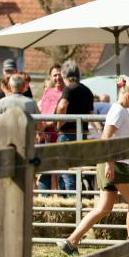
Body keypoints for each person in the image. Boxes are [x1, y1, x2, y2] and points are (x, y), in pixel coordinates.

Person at [57, 79, 129, 255]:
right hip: (115, 164)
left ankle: (71, 241)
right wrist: (110, 163)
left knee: (103, 208)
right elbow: (106, 137)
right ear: (128, 95)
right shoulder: (118, 111)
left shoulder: (120, 110)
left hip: (110, 164)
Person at [54, 60, 94, 193]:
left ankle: (72, 202)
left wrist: (60, 123)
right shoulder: (87, 90)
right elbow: (91, 113)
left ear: (65, 76)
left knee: (67, 172)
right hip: (81, 134)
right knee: (75, 170)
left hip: (68, 135)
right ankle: (73, 200)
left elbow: (62, 105)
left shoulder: (69, 89)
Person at [37, 63, 65, 192]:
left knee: (59, 171)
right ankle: (45, 199)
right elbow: (41, 111)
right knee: (44, 170)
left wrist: (45, 125)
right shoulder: (47, 92)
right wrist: (39, 129)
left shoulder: (66, 92)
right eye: (54, 75)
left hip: (58, 135)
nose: (57, 78)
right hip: (44, 135)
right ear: (50, 77)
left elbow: (61, 116)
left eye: (59, 74)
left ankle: (59, 197)